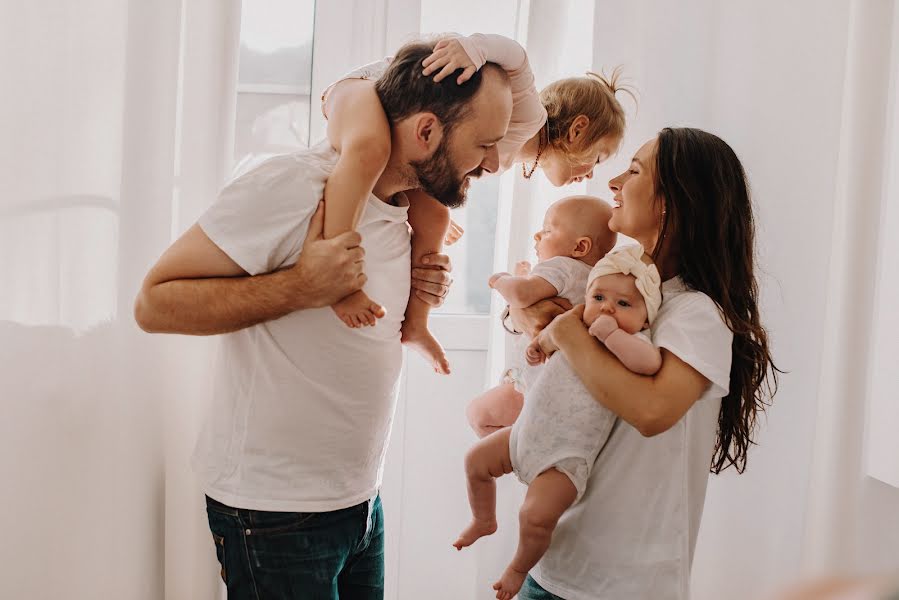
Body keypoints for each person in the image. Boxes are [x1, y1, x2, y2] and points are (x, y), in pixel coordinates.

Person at [133, 40, 513, 599]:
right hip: (274, 515)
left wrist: (421, 294)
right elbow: (154, 304)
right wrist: (299, 287)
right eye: (484, 145)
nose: (495, 163)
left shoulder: (406, 209)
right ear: (426, 132)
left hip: (358, 503)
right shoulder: (293, 187)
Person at [512, 128, 780, 599]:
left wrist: (570, 333)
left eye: (633, 170)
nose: (613, 180)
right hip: (558, 561)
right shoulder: (622, 289)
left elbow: (654, 411)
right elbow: (537, 311)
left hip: (623, 583)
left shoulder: (696, 310)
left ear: (671, 203)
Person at [321, 32, 629, 374]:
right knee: (370, 148)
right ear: (577, 130)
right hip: (369, 88)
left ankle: (416, 325)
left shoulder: (507, 155)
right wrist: (473, 48)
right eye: (598, 159)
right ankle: (340, 282)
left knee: (436, 218)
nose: (589, 176)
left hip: (408, 126)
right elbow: (518, 60)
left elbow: (443, 158)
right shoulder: (528, 117)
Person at [453, 245, 663, 599]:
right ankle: (483, 519)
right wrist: (539, 347)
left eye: (624, 304)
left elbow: (650, 364)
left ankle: (518, 568)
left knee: (535, 518)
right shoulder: (575, 324)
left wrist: (613, 335)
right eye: (598, 297)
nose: (607, 308)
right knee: (475, 462)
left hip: (564, 458)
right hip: (524, 434)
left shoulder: (634, 341)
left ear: (645, 319)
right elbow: (546, 335)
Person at [465, 195, 616, 438]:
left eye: (546, 231)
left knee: (478, 415)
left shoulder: (561, 266)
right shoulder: (598, 279)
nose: (537, 236)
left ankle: (518, 451)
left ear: (579, 247)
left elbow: (521, 294)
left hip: (533, 381)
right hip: (566, 387)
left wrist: (501, 280)